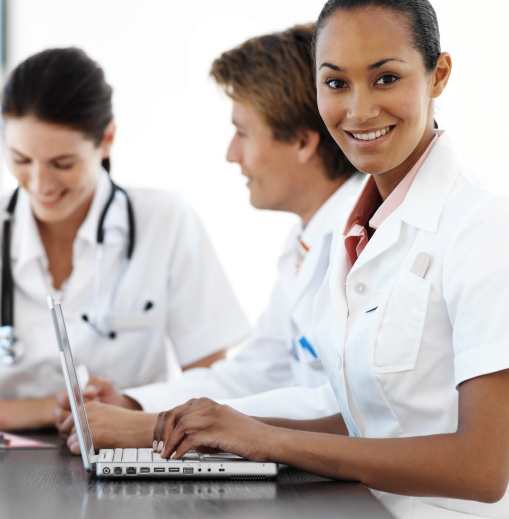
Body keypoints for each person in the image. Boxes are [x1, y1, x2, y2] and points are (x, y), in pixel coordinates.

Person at [151, 0, 509, 519]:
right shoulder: (355, 227)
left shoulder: (482, 224)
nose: (359, 110)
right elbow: (373, 417)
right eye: (336, 83)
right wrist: (232, 429)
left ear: (439, 75)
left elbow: (482, 469)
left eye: (386, 78)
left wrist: (271, 441)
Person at [55, 24, 363, 452]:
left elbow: (353, 409)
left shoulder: (364, 245)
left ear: (302, 141)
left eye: (242, 132)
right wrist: (133, 402)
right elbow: (249, 374)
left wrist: (153, 426)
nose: (230, 154)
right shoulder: (306, 242)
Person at [0, 47, 250, 431]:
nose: (41, 185)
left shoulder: (165, 220)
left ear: (107, 138)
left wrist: (23, 411)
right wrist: (47, 409)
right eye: (21, 160)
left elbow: (211, 387)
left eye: (63, 163)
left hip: (124, 458)